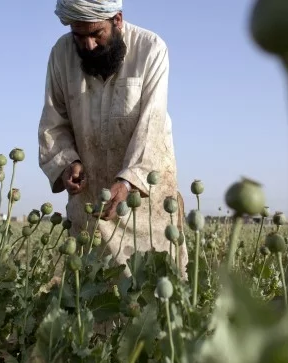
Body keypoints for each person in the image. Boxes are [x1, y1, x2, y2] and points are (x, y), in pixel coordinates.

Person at [38, 0, 188, 275]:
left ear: (117, 19)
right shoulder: (61, 54)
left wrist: (128, 180)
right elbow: (53, 122)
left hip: (145, 203)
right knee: (94, 299)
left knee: (150, 297)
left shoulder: (151, 49)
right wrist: (67, 162)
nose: (88, 46)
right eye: (79, 36)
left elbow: (151, 124)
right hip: (91, 203)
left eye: (97, 34)